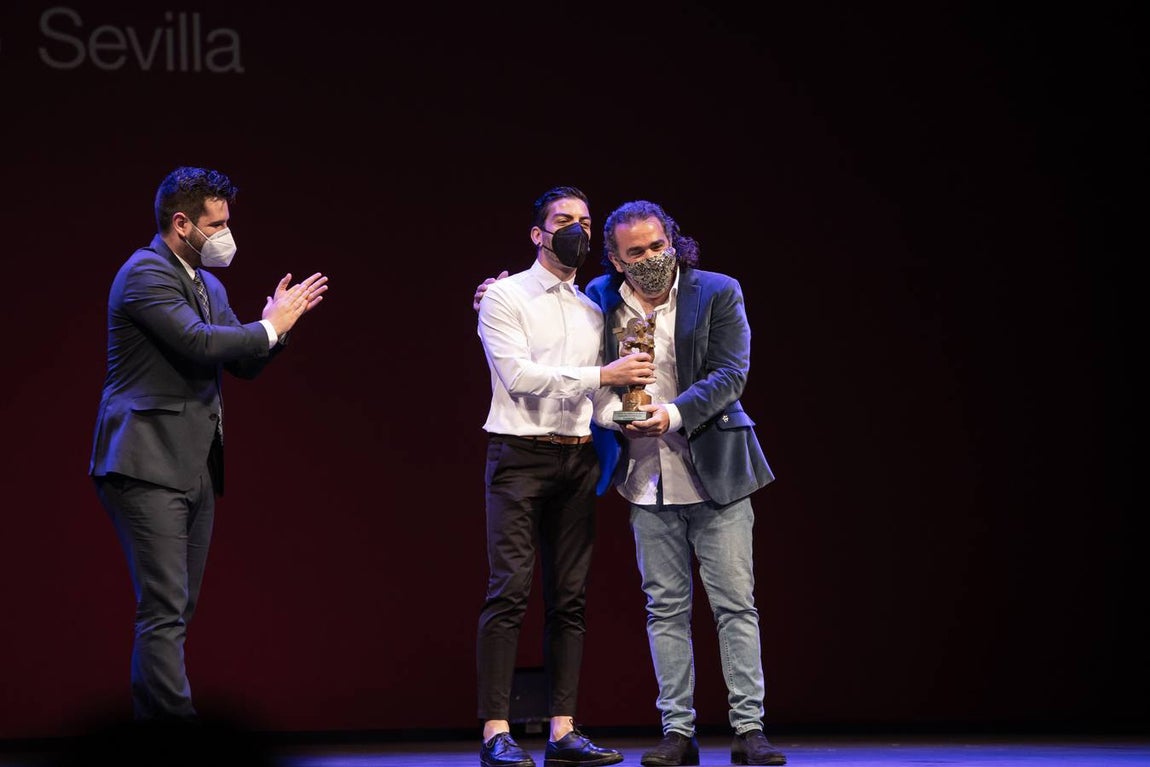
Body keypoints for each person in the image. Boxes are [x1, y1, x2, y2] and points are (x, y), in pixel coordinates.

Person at [474, 199, 785, 766]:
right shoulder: (598, 300)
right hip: (645, 477)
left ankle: (749, 728)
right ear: (615, 260)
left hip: (717, 470)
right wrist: (495, 295)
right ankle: (677, 732)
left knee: (734, 605)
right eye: (635, 252)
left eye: (657, 245)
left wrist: (669, 414)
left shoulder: (717, 290)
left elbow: (730, 374)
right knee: (664, 608)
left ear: (674, 239)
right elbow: (553, 341)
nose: (650, 258)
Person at [89, 166, 329, 721]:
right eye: (216, 224)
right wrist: (268, 326)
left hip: (193, 463)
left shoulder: (207, 283)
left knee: (175, 609)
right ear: (181, 223)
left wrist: (279, 326)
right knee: (164, 608)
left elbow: (239, 361)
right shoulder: (144, 273)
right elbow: (198, 342)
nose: (226, 234)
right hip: (144, 461)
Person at [475, 186, 654, 767]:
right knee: (510, 591)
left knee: (570, 599)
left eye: (584, 220)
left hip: (577, 459)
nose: (576, 229)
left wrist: (627, 415)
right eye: (563, 221)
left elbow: (597, 399)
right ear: (538, 233)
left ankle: (562, 729)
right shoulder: (504, 296)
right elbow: (521, 377)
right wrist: (603, 374)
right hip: (519, 457)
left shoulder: (593, 308)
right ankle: (497, 730)